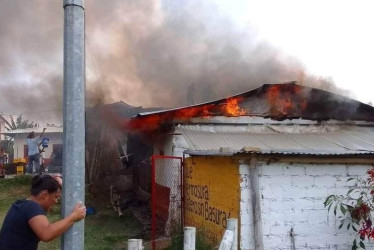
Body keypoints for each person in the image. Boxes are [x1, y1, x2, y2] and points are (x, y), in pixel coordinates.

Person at [0, 174, 86, 250]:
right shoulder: (32, 207)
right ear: (45, 194)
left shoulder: (21, 204)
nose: (56, 201)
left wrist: (54, 183)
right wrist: (74, 217)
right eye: (55, 197)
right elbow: (46, 234)